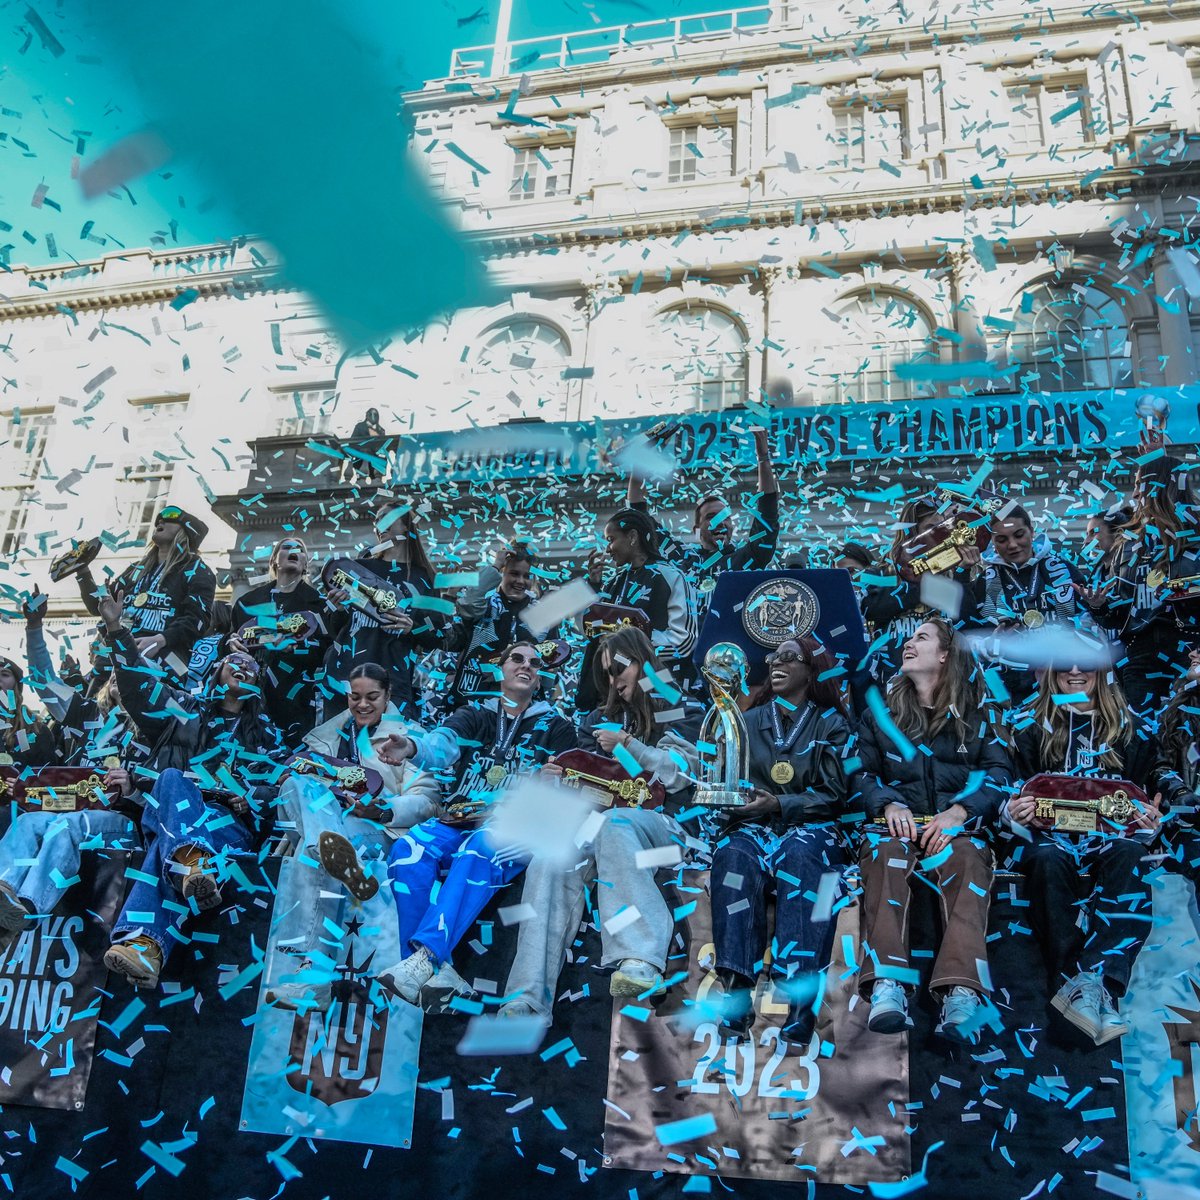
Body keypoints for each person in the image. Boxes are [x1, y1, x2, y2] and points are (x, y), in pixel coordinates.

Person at [499, 627, 703, 1018]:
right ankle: (526, 996)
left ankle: (640, 958)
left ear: (643, 661)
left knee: (617, 823)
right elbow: (588, 791)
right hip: (601, 828)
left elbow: (679, 775)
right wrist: (559, 781)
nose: (613, 680)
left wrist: (628, 746)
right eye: (606, 673)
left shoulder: (678, 705)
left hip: (672, 831)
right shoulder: (597, 719)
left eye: (619, 669)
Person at [365, 640, 578, 1004]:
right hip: (460, 819)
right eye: (517, 658)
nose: (526, 665)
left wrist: (551, 783)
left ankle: (426, 959)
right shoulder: (474, 714)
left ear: (540, 676)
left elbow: (566, 791)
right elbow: (441, 745)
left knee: (482, 846)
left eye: (535, 663)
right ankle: (434, 974)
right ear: (500, 668)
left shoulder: (557, 727)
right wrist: (412, 747)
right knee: (408, 849)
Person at [94, 589, 284, 989]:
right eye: (235, 661)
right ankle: (193, 864)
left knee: (168, 847)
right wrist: (116, 630)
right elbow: (139, 688)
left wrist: (250, 798)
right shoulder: (184, 712)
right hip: (174, 809)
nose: (244, 667)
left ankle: (145, 946)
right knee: (171, 778)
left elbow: (278, 787)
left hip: (227, 825)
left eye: (252, 667)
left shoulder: (267, 735)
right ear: (216, 671)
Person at [1004, 651, 1190, 1043]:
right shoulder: (1026, 725)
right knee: (1047, 858)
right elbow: (1005, 784)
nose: (1075, 671)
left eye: (1085, 663)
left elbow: (1153, 783)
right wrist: (1011, 811)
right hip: (1047, 841)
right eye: (1065, 663)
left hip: (1115, 842)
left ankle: (1092, 982)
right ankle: (1085, 988)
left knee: (1132, 856)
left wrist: (1152, 820)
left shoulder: (1131, 727)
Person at [855, 618, 1011, 1043]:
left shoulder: (980, 711)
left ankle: (960, 993)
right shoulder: (879, 713)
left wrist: (961, 812)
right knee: (886, 854)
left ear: (945, 654)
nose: (908, 643)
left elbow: (1000, 774)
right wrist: (887, 803)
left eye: (921, 638)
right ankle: (888, 985)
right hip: (896, 828)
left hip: (956, 829)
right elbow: (859, 773)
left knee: (967, 858)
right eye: (908, 638)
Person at [264, 662, 440, 1012]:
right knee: (295, 785)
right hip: (325, 829)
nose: (362, 704)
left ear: (388, 695)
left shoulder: (409, 737)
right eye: (355, 697)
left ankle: (312, 980)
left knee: (316, 852)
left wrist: (383, 809)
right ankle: (334, 854)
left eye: (372, 697)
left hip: (377, 831)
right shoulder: (322, 737)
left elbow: (428, 801)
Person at [708, 636, 854, 1047]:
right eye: (774, 656)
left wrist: (780, 803)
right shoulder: (746, 721)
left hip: (812, 826)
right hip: (754, 826)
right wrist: (734, 801)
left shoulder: (832, 724)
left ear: (812, 670)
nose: (776, 662)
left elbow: (835, 794)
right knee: (734, 854)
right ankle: (736, 991)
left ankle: (800, 1004)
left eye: (790, 657)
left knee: (801, 852)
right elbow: (730, 784)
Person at [1078, 455, 1198, 716]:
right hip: (1140, 657)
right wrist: (1099, 606)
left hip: (1188, 652)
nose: (1134, 494)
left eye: (1139, 485)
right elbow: (1119, 614)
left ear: (1161, 486)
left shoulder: (1195, 535)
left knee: (1185, 726)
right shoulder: (1129, 544)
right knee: (1141, 730)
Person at [321, 493, 445, 721]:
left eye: (386, 517)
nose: (379, 524)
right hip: (346, 676)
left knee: (387, 743)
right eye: (376, 520)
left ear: (406, 525)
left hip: (393, 681)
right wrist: (338, 608)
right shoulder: (356, 568)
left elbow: (438, 635)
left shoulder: (425, 578)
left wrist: (412, 628)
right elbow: (333, 629)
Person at [626, 425, 779, 596]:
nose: (720, 522)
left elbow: (767, 514)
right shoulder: (681, 558)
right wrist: (642, 460)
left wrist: (763, 457)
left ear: (732, 526)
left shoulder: (745, 558)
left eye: (725, 517)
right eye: (711, 517)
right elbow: (638, 513)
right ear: (696, 530)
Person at [861, 495, 984, 701]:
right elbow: (871, 609)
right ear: (911, 532)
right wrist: (921, 580)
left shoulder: (956, 573)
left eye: (943, 528)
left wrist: (961, 575)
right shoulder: (882, 572)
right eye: (931, 528)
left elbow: (968, 626)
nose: (939, 535)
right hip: (892, 687)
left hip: (945, 688)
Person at [577, 508, 697, 712]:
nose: (607, 549)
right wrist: (594, 586)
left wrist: (633, 652)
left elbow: (684, 642)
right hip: (611, 699)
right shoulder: (613, 583)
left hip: (656, 696)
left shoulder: (671, 576)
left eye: (611, 540)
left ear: (632, 537)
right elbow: (590, 633)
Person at [75, 504, 216, 671]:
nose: (160, 520)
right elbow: (97, 606)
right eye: (158, 519)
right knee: (93, 687)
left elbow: (197, 620)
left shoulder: (198, 570)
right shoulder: (136, 569)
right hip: (115, 654)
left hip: (164, 661)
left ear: (187, 530)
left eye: (170, 517)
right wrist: (82, 570)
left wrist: (161, 639)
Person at [978, 503, 1085, 706]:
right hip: (1010, 687)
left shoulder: (1062, 570)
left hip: (1061, 681)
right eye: (1002, 539)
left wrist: (1098, 607)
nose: (1012, 545)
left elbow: (1088, 624)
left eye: (1019, 535)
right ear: (993, 542)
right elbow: (971, 633)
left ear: (1032, 531)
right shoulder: (986, 581)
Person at [229, 536, 331, 746]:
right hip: (250, 694)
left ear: (305, 564)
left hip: (296, 698)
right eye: (287, 547)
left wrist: (297, 649)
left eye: (299, 549)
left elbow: (327, 650)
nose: (293, 550)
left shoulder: (319, 605)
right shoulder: (247, 603)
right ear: (274, 560)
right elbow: (230, 639)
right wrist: (230, 643)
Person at [446, 541, 543, 710]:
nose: (520, 581)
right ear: (502, 574)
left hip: (521, 706)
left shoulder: (541, 612)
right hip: (472, 700)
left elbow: (550, 660)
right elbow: (470, 603)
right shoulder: (486, 606)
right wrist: (496, 565)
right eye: (514, 573)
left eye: (527, 576)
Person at [0, 652, 56, 769]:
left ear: (16, 685)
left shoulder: (37, 731)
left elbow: (49, 776)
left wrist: (21, 781)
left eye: (4, 674)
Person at [344, 407, 387, 485]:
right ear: (367, 416)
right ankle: (356, 474)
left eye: (375, 415)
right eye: (371, 415)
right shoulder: (359, 427)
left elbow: (382, 444)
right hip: (360, 451)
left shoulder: (381, 430)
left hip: (373, 452)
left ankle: (374, 474)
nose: (373, 417)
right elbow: (352, 441)